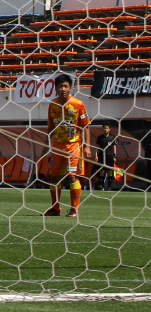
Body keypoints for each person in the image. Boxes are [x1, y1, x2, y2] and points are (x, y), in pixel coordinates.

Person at [45, 74, 90, 218]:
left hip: (73, 146)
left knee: (72, 177)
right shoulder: (53, 105)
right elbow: (51, 127)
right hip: (57, 146)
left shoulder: (78, 104)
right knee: (53, 177)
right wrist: (46, 145)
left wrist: (87, 147)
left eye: (66, 86)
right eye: (60, 86)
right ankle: (55, 209)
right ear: (56, 88)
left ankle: (74, 209)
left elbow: (86, 127)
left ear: (71, 88)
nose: (63, 89)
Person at [93, 124, 116, 192]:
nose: (105, 129)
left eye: (107, 128)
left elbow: (114, 147)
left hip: (109, 156)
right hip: (101, 156)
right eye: (104, 128)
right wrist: (96, 155)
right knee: (102, 172)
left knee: (109, 172)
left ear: (109, 129)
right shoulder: (100, 137)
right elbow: (97, 147)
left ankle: (109, 187)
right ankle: (102, 187)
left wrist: (115, 156)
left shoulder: (112, 137)